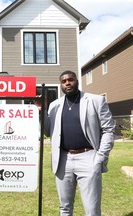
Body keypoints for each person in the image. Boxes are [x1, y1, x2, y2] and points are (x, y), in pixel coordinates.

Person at [36, 70, 115, 215]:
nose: (67, 83)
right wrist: (42, 110)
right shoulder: (55, 105)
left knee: (91, 209)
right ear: (61, 84)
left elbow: (109, 130)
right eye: (64, 81)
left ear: (76, 80)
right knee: (64, 207)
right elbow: (48, 132)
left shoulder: (95, 101)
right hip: (63, 160)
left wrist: (100, 157)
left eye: (70, 80)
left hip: (88, 157)